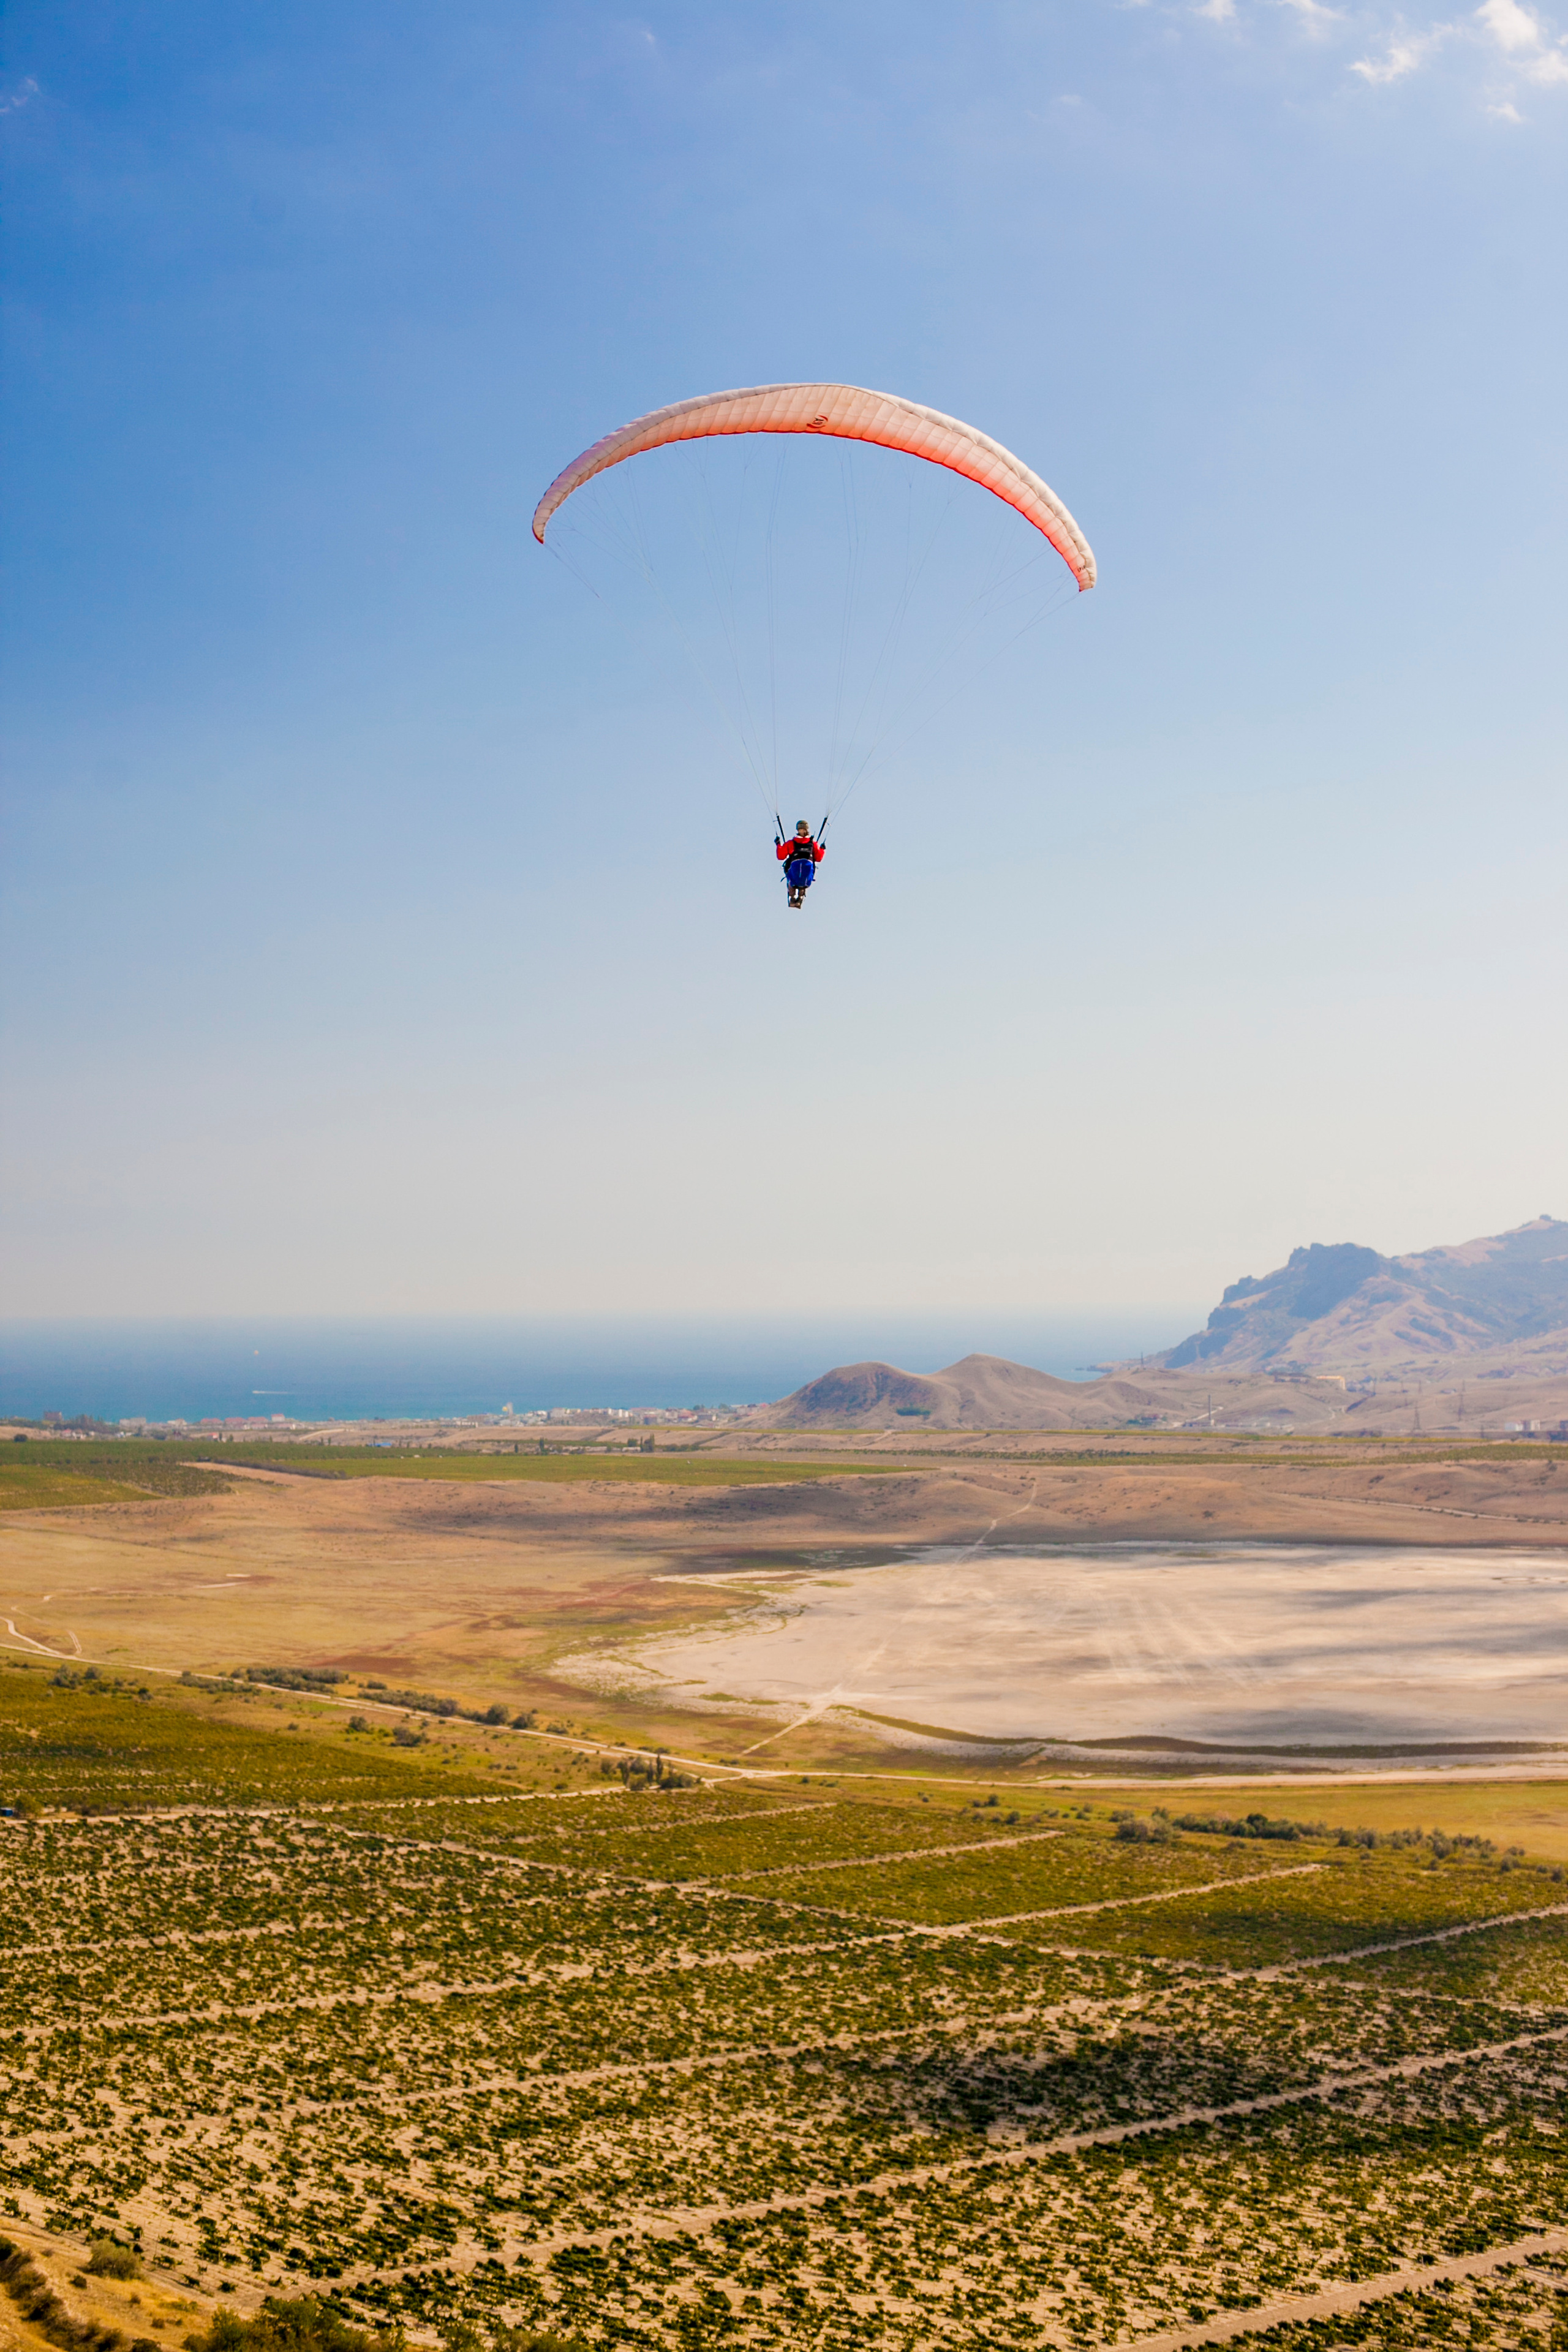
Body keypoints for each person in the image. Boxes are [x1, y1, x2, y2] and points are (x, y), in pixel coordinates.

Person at [777, 819, 825, 909]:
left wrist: (778, 845)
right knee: (804, 877)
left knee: (791, 878)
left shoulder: (791, 843)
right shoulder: (813, 844)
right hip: (806, 875)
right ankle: (800, 897)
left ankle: (792, 898)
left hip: (794, 873)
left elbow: (781, 856)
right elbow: (819, 858)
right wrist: (822, 849)